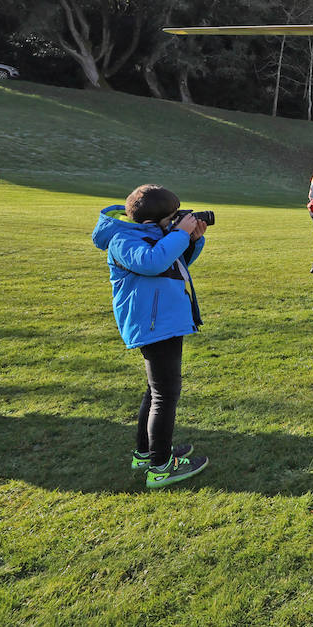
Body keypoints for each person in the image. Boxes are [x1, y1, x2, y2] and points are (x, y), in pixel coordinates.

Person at [91, 184, 210, 488]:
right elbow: (152, 262)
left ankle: (146, 452)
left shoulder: (152, 235)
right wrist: (179, 235)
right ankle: (161, 467)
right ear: (150, 223)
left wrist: (191, 240)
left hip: (165, 321)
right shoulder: (122, 240)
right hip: (154, 324)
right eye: (172, 219)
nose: (176, 223)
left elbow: (172, 266)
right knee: (165, 395)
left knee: (155, 391)